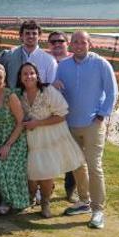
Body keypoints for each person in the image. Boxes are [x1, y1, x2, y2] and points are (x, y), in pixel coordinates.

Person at [55, 31, 118, 229]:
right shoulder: (63, 65)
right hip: (70, 123)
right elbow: (59, 92)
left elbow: (112, 91)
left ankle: (98, 210)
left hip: (93, 124)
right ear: (70, 45)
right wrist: (55, 87)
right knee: (76, 164)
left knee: (94, 166)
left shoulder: (101, 64)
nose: (78, 44)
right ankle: (84, 201)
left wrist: (102, 114)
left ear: (90, 44)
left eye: (82, 41)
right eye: (75, 41)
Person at [18, 62, 85, 218]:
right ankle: (30, 198)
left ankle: (46, 202)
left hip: (50, 137)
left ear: (37, 75)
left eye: (31, 73)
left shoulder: (48, 91)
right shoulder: (19, 95)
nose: (28, 76)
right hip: (30, 138)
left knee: (46, 172)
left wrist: (38, 123)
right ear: (20, 78)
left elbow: (62, 115)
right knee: (31, 173)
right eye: (25, 74)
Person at [0, 63, 30, 215]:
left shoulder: (10, 96)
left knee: (2, 165)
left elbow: (21, 122)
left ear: (5, 78)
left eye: (0, 77)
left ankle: (7, 200)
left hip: (16, 139)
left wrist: (8, 145)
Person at [48, 30, 77, 202]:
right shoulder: (46, 61)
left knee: (71, 153)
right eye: (53, 41)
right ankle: (46, 187)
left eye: (61, 41)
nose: (57, 44)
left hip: (72, 116)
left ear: (67, 43)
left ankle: (70, 190)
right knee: (48, 152)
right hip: (50, 116)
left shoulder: (76, 60)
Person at [0, 20, 57, 88]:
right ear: (21, 36)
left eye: (34, 33)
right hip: (14, 97)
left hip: (40, 98)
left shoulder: (49, 60)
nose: (31, 36)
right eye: (27, 33)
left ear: (39, 36)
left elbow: (51, 87)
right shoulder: (10, 55)